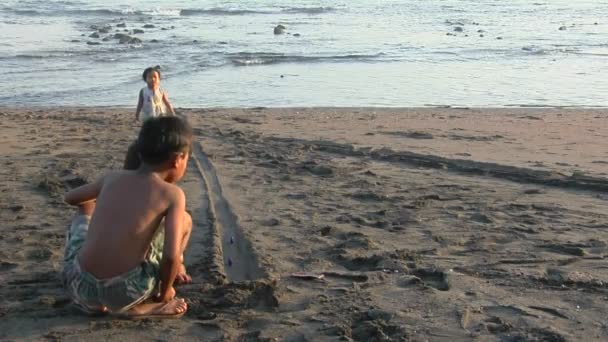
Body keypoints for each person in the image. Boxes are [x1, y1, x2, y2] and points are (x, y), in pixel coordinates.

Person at [62, 116, 193, 318]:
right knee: (184, 220)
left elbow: (71, 198)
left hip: (79, 284)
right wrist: (165, 292)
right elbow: (169, 256)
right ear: (177, 159)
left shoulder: (112, 177)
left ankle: (95, 302)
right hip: (124, 292)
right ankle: (142, 307)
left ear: (140, 152)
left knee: (86, 207)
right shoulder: (172, 194)